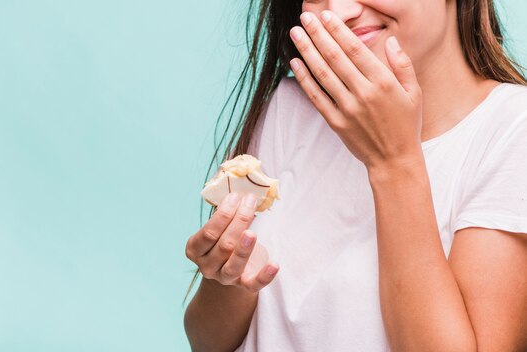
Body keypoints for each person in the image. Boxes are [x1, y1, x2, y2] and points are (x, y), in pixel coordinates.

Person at [184, 0, 527, 351]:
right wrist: (226, 276)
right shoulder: (289, 108)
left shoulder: (514, 129)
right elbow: (208, 342)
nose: (340, 11)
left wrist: (393, 163)